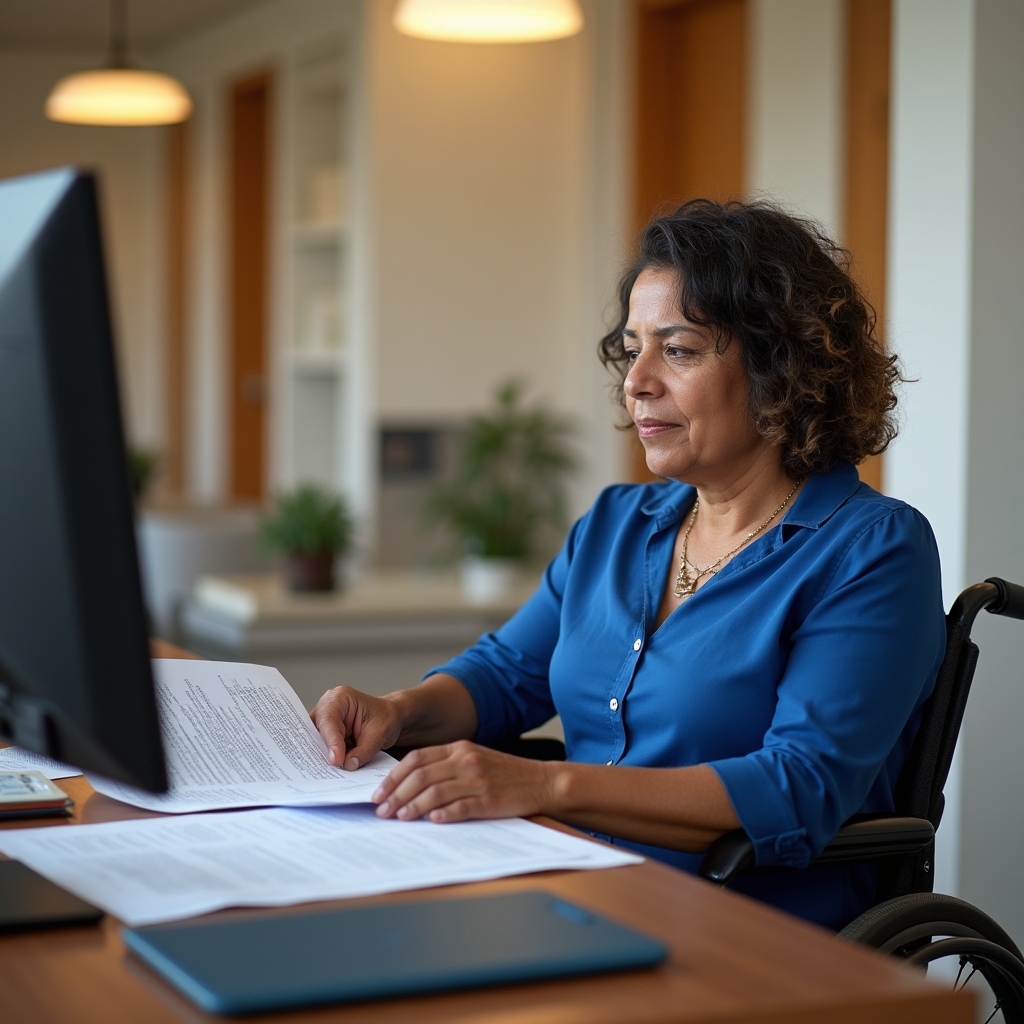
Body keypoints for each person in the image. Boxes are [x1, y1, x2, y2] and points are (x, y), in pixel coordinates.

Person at [312, 200, 945, 930]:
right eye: (632, 347)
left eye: (677, 350)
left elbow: (797, 787)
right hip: (574, 895)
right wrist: (396, 713)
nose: (636, 380)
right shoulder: (619, 522)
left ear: (781, 370)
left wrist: (544, 785)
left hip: (752, 933)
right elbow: (505, 676)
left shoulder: (871, 549)